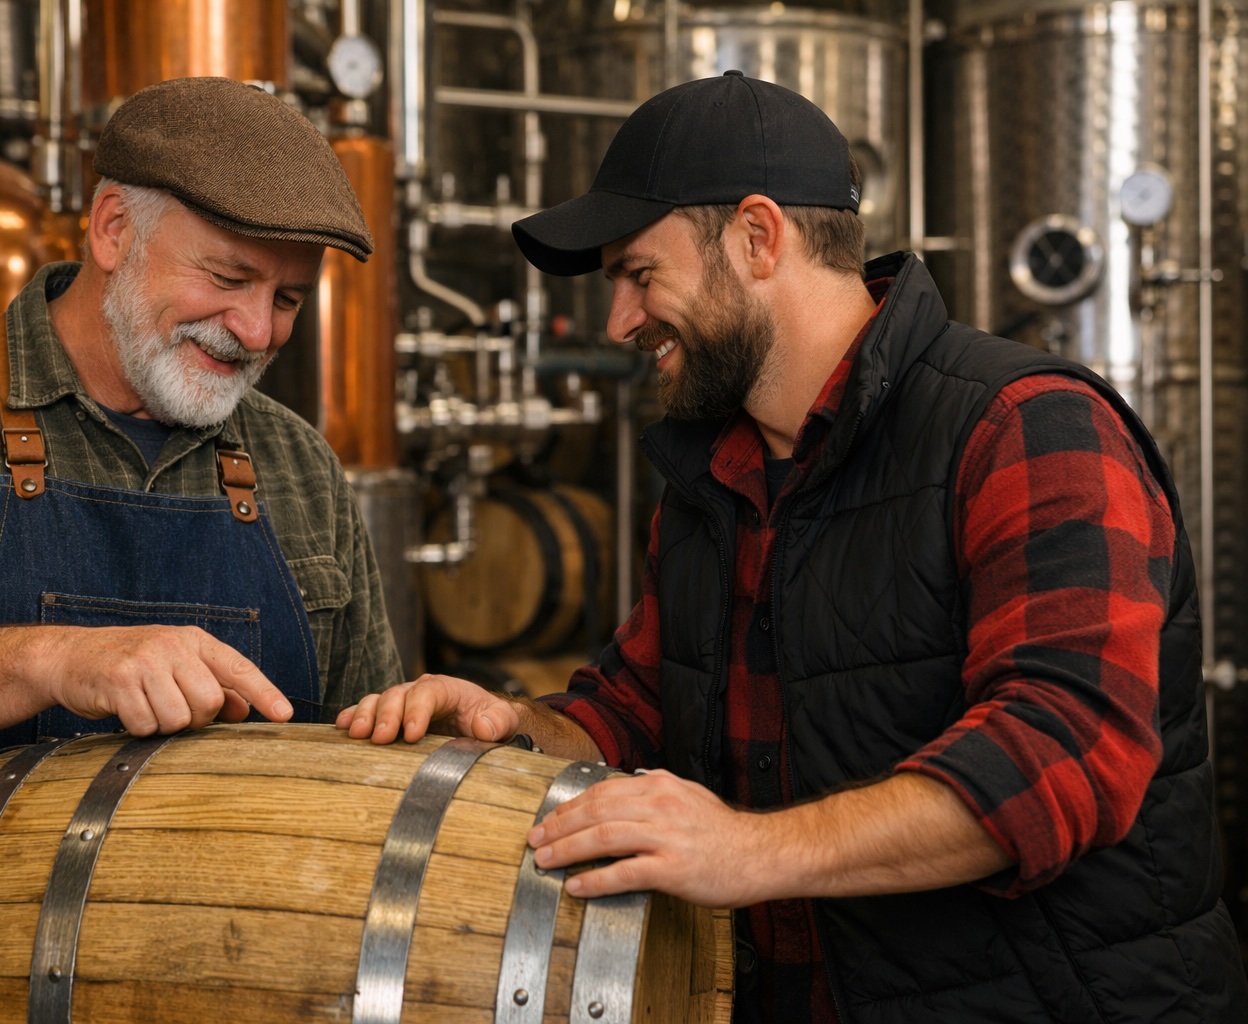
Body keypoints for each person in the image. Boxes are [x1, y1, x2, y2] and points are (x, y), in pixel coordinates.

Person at [338, 72, 1248, 1021]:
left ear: (758, 237)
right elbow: (641, 705)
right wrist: (512, 729)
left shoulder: (1024, 426)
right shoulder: (712, 480)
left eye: (639, 274)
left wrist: (748, 851)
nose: (618, 324)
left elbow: (1062, 752)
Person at [0, 77, 403, 1021]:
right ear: (110, 230)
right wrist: (58, 658)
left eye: (289, 299)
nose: (259, 333)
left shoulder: (296, 466)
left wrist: (422, 726)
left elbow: (357, 772)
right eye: (226, 279)